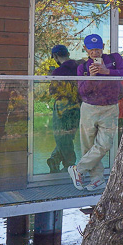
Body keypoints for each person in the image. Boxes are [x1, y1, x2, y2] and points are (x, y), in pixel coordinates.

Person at [69, 34, 123, 191]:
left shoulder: (114, 59)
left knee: (104, 144)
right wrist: (91, 77)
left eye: (97, 48)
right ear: (86, 49)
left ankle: (78, 170)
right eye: (91, 49)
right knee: (88, 146)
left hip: (110, 107)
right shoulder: (82, 68)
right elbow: (82, 91)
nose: (95, 52)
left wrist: (107, 71)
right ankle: (97, 179)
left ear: (103, 46)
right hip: (89, 108)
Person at [46, 45, 81, 173]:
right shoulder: (79, 68)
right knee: (68, 136)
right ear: (68, 53)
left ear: (55, 56)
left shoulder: (58, 72)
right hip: (77, 107)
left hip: (62, 107)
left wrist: (51, 77)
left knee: (61, 136)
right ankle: (55, 159)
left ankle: (69, 165)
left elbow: (53, 91)